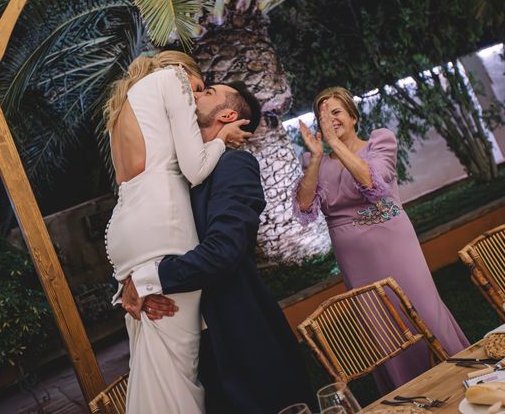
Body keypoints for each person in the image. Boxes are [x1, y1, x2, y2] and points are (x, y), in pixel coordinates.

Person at [121, 81, 314, 414]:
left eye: (206, 91)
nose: (193, 95)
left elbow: (223, 251)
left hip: (238, 340)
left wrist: (147, 280)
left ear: (227, 114)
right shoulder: (175, 175)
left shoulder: (233, 166)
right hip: (186, 345)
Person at [293, 86, 469, 392]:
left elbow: (371, 181)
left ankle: (458, 380)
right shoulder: (315, 160)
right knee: (381, 327)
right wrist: (318, 157)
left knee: (423, 310)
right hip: (355, 259)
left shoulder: (379, 142)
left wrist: (336, 143)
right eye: (323, 114)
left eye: (336, 111)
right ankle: (409, 395)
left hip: (395, 245)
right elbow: (305, 207)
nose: (330, 119)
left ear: (353, 116)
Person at [104, 51, 250, 414]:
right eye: (199, 87)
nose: (195, 97)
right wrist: (223, 138)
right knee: (177, 371)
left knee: (153, 362)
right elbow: (195, 168)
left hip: (124, 231)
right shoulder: (172, 80)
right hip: (163, 227)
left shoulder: (128, 100)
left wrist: (137, 283)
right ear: (186, 72)